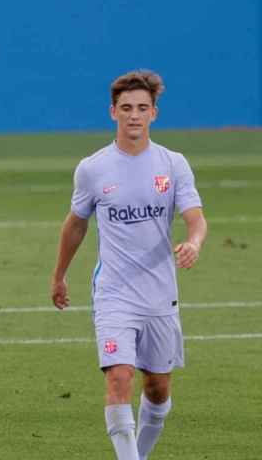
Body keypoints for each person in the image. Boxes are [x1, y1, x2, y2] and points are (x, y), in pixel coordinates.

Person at [50, 70, 207, 460]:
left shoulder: (173, 164)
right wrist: (59, 275)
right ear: (112, 112)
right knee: (119, 378)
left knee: (157, 389)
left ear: (154, 113)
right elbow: (75, 224)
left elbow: (195, 217)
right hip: (114, 293)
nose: (133, 115)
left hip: (160, 295)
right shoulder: (93, 168)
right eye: (126, 108)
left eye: (141, 108)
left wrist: (194, 242)